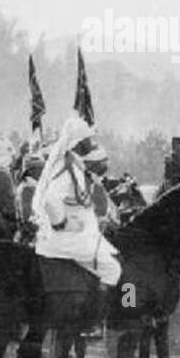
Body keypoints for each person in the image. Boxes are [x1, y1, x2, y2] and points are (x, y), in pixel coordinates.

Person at [33, 115, 121, 289]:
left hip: (83, 232)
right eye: (88, 139)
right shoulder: (68, 169)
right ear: (78, 142)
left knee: (115, 254)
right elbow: (50, 200)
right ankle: (104, 311)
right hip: (68, 237)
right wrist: (62, 223)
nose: (91, 142)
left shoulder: (75, 165)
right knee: (113, 269)